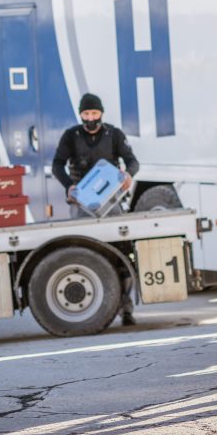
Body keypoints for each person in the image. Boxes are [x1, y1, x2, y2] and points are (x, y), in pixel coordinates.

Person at [52, 93, 140, 325]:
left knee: (120, 255)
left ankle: (126, 310)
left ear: (101, 113)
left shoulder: (114, 135)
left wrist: (128, 175)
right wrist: (69, 186)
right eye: (86, 114)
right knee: (85, 253)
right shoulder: (71, 136)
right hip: (82, 205)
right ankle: (95, 311)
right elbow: (57, 165)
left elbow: (132, 161)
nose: (91, 118)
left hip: (111, 204)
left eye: (94, 113)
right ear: (80, 115)